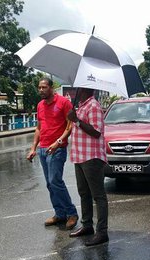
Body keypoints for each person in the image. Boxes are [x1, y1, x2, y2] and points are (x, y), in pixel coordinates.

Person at [26, 78, 78, 230]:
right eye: (39, 87)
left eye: (44, 87)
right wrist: (33, 148)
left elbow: (69, 127)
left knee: (55, 181)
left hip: (57, 149)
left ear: (51, 88)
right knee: (50, 183)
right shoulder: (40, 105)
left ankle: (71, 213)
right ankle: (60, 213)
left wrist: (58, 142)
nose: (41, 90)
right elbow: (39, 128)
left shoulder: (63, 103)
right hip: (43, 149)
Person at [67, 87, 109, 246]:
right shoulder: (82, 106)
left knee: (98, 196)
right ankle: (87, 225)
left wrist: (76, 120)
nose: (74, 92)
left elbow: (96, 132)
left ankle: (102, 231)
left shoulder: (94, 106)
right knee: (84, 193)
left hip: (92, 157)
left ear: (84, 89)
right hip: (79, 156)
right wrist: (74, 117)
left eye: (77, 88)